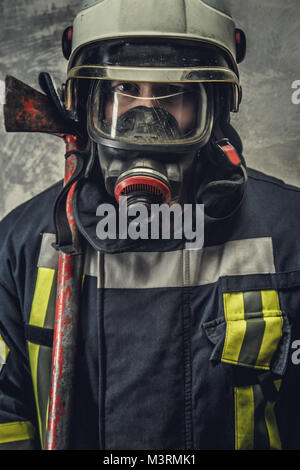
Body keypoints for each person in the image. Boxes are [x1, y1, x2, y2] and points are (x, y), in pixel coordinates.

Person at [0, 0, 300, 451]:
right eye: (123, 90)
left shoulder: (288, 233)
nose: (144, 121)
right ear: (86, 107)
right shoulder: (23, 246)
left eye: (172, 96)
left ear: (215, 110)